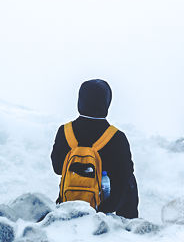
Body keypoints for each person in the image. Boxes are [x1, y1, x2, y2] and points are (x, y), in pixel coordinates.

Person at [51, 79, 139, 219]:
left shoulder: (65, 131)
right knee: (130, 180)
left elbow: (57, 168)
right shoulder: (117, 137)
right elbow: (124, 177)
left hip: (70, 203)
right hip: (105, 207)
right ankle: (129, 226)